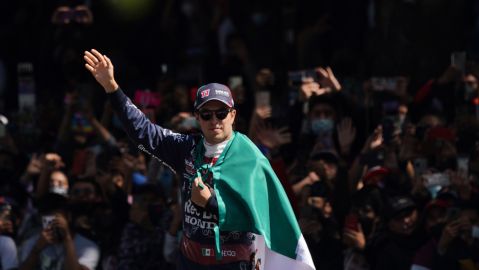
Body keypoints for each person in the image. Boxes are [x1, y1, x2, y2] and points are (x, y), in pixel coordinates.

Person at [83, 49, 315, 270]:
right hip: (191, 261)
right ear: (197, 118)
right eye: (206, 114)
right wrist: (112, 88)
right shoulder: (187, 148)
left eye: (221, 113)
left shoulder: (250, 157)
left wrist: (212, 203)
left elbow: (262, 215)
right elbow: (143, 132)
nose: (214, 120)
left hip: (233, 264)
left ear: (233, 115)